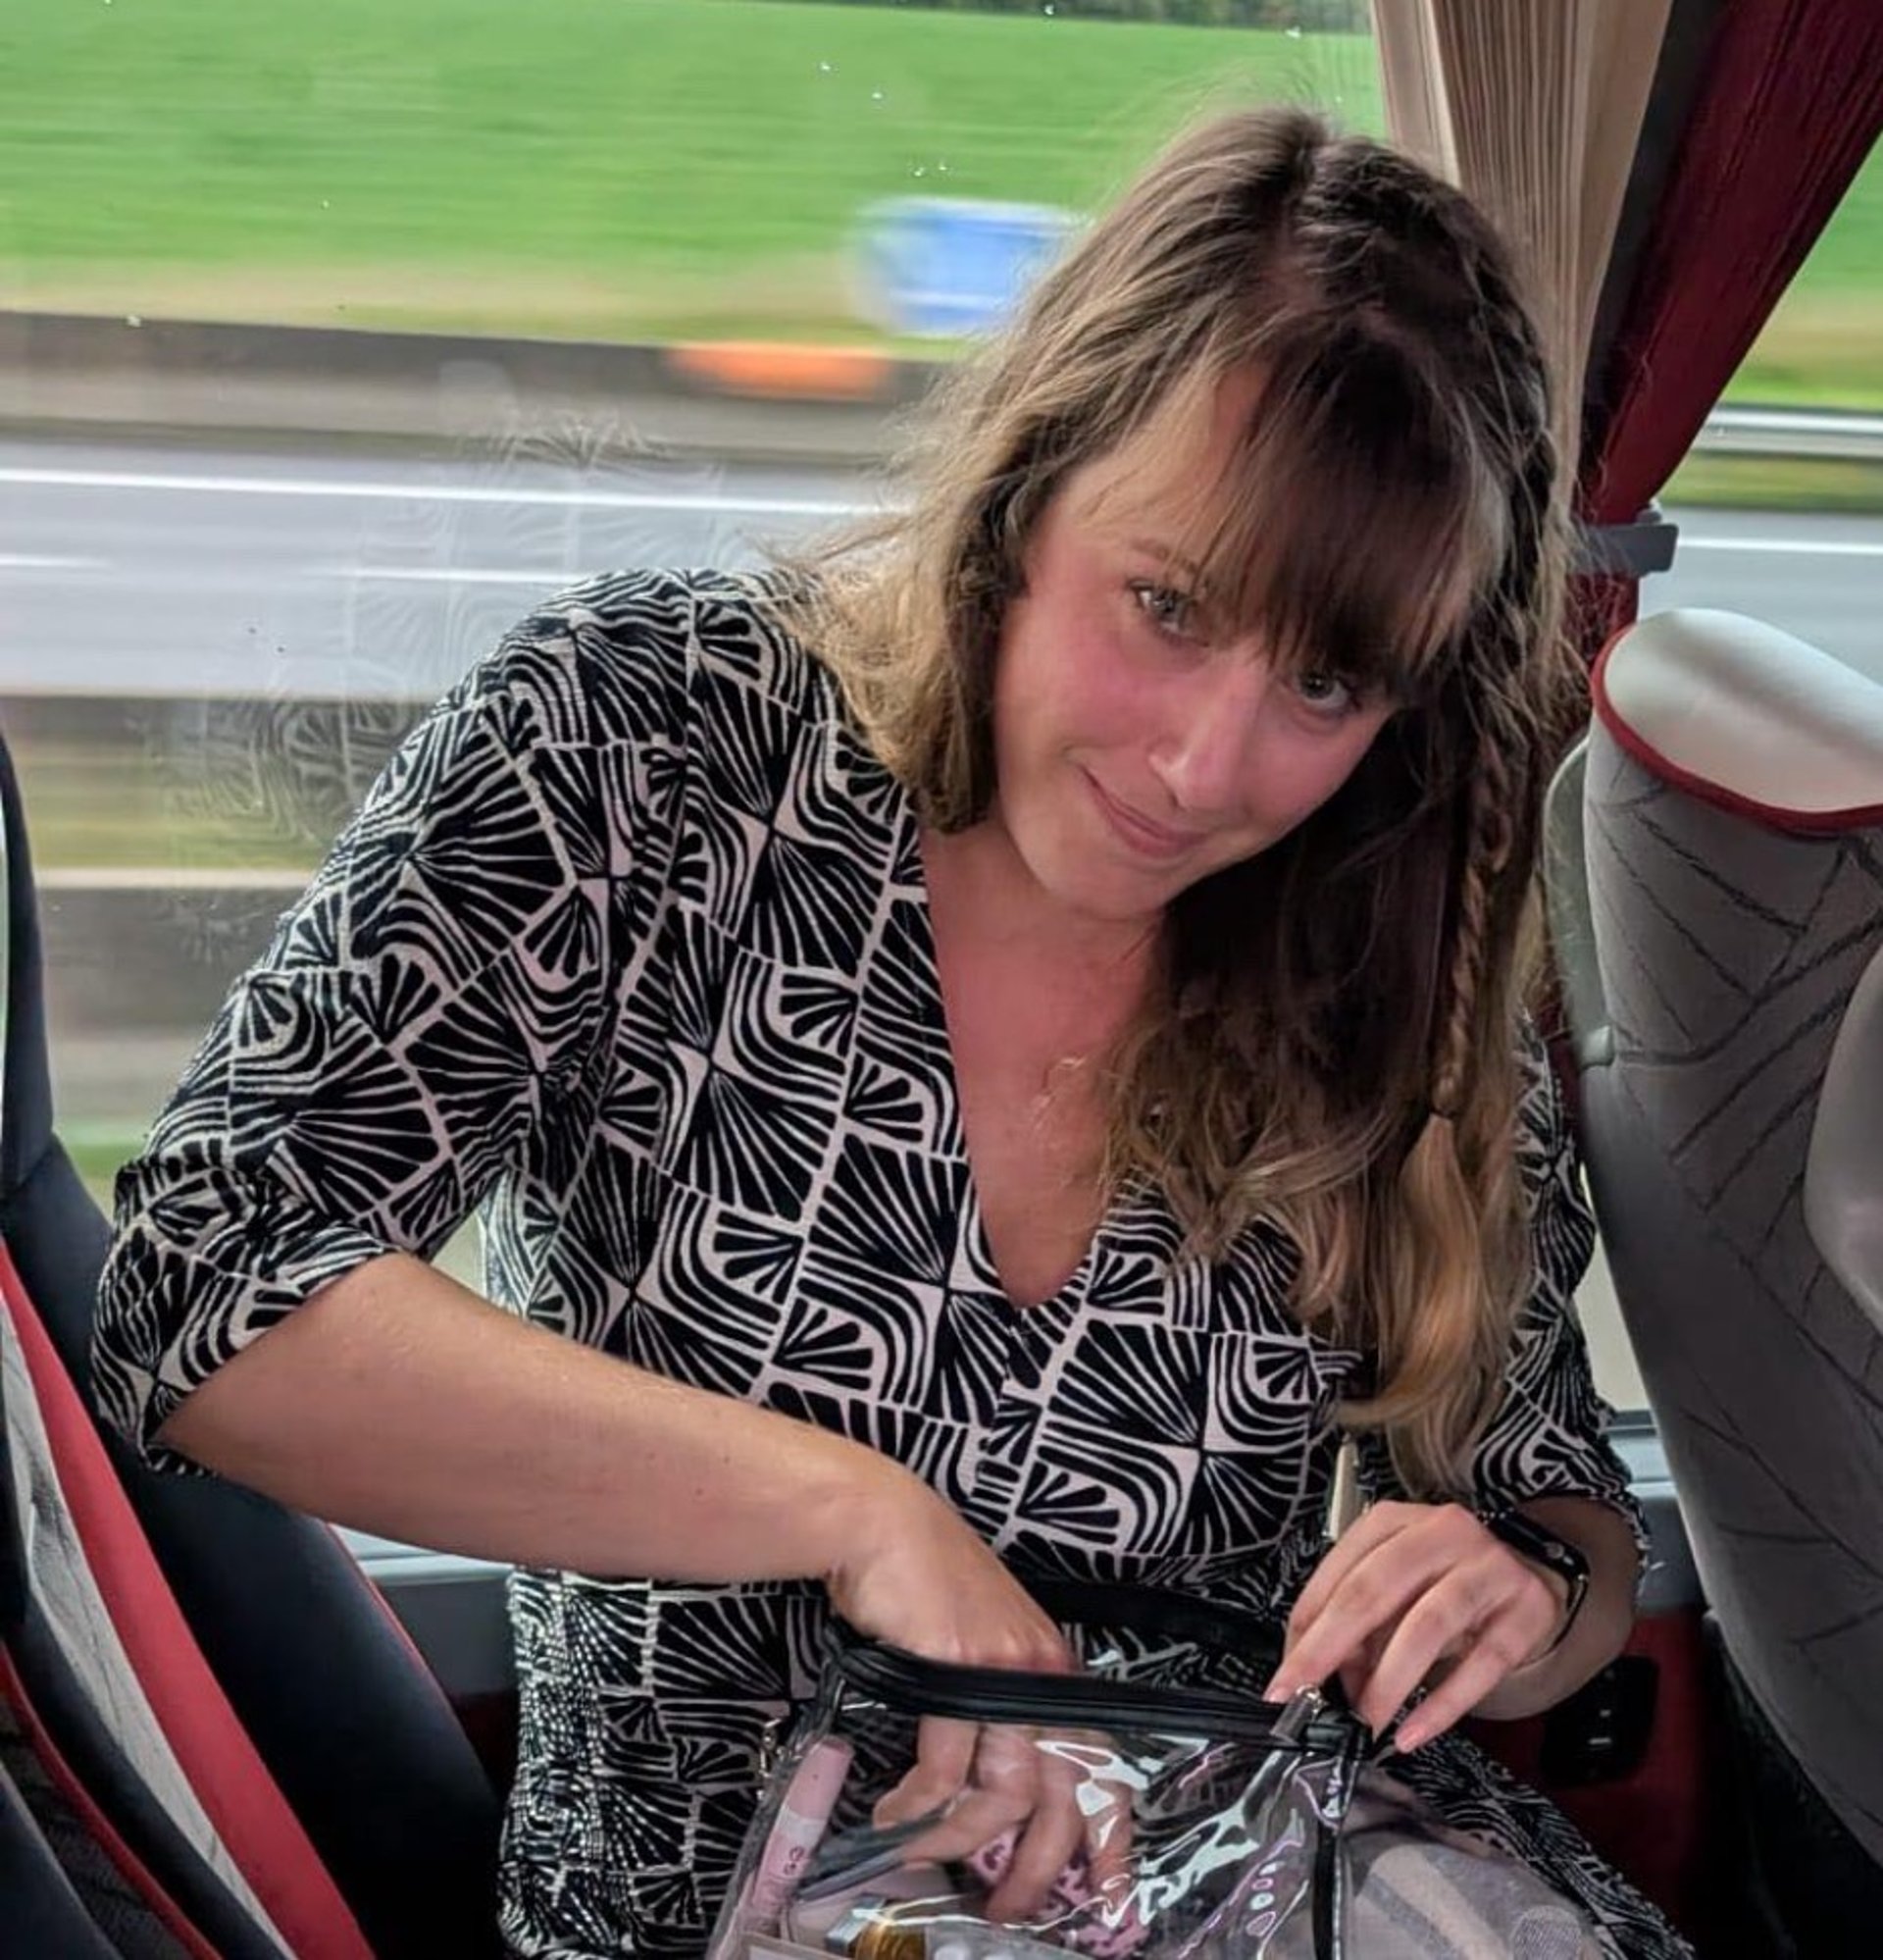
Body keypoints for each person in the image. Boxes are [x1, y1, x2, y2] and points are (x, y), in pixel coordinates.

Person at [93, 107, 1692, 1960]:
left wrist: (1516, 1580)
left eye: (1324, 681)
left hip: (1217, 1891)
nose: (1204, 765)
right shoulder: (652, 750)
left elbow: (1561, 1518)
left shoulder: (1383, 927)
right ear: (1027, 493)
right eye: (1166, 606)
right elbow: (207, 1294)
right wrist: (860, 1517)